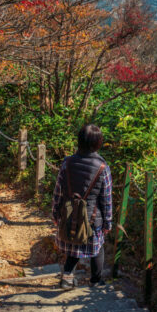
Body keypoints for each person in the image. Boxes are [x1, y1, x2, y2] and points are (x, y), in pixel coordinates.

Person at [52, 124, 112, 289]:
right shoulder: (102, 168)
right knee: (97, 249)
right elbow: (106, 199)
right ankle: (96, 281)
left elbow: (58, 191)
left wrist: (55, 213)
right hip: (93, 218)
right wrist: (108, 222)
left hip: (70, 214)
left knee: (73, 247)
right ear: (98, 143)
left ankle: (67, 278)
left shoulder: (67, 163)